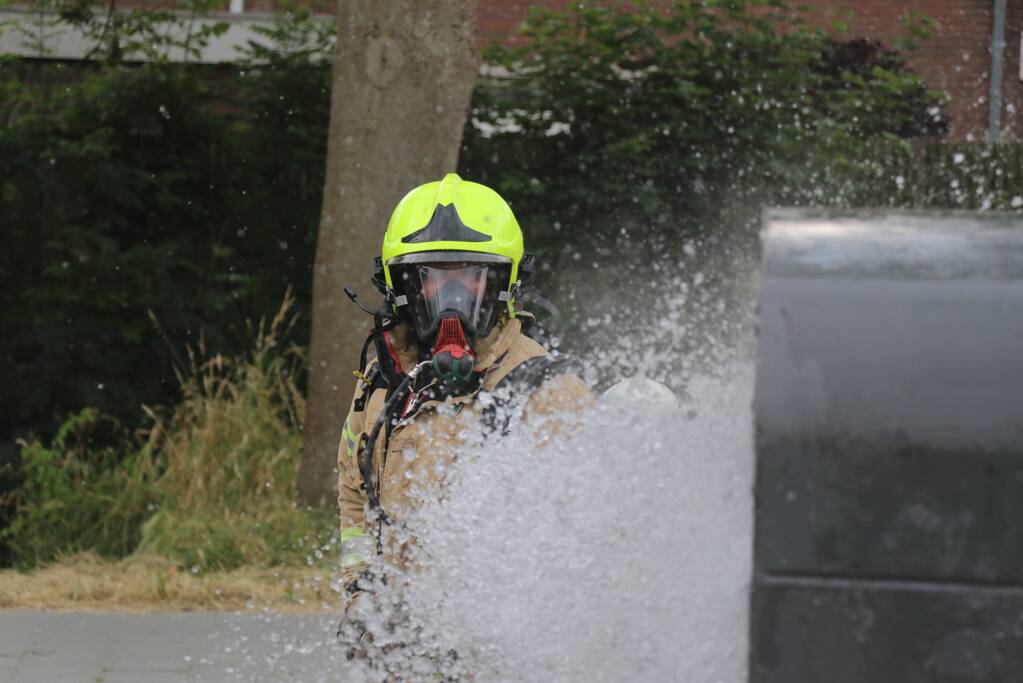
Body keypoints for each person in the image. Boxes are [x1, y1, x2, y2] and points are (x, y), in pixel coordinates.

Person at [335, 173, 591, 653]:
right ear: (404, 287)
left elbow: (580, 542)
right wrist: (360, 591)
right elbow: (355, 496)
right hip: (399, 648)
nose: (451, 304)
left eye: (468, 280)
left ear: (500, 285)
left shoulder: (547, 392)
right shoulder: (382, 384)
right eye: (434, 281)